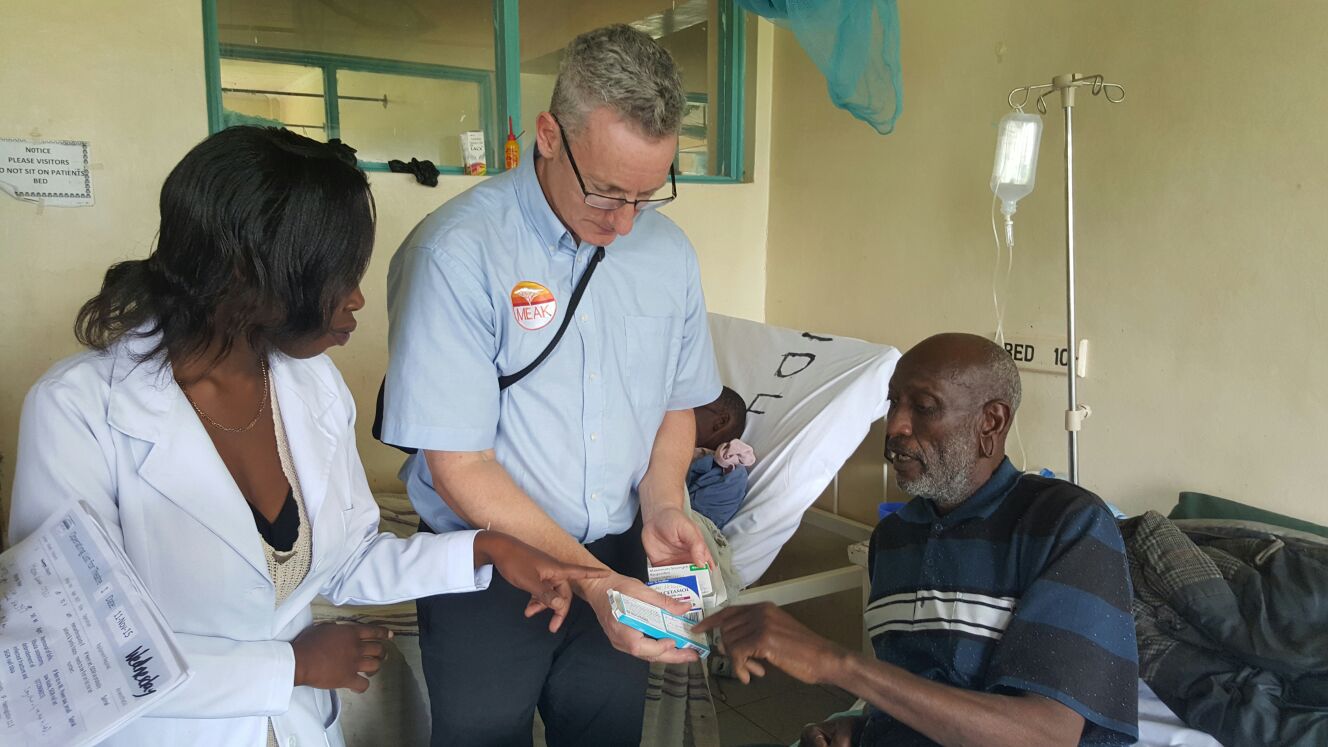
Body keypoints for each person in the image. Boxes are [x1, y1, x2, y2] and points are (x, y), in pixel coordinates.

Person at [7, 126, 603, 747]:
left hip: (291, 730)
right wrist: (292, 665)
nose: (356, 299)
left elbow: (344, 561)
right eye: (335, 275)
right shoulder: (79, 412)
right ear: (245, 272)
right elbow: (77, 658)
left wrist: (488, 549)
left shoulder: (309, 385)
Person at [379, 24, 722, 747]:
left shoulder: (669, 255)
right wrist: (589, 580)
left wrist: (663, 501)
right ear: (547, 135)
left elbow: (673, 406)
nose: (624, 223)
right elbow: (459, 462)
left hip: (619, 559)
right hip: (488, 569)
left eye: (647, 195)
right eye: (604, 192)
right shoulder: (458, 252)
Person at [696, 333, 1139, 747]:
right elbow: (914, 688)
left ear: (992, 421)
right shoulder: (895, 540)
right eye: (893, 404)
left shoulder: (1064, 524)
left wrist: (837, 663)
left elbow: (1047, 735)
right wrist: (861, 726)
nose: (895, 428)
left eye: (924, 407)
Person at [689, 386, 754, 528]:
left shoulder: (729, 475)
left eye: (689, 407)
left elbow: (694, 525)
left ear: (720, 422)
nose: (676, 414)